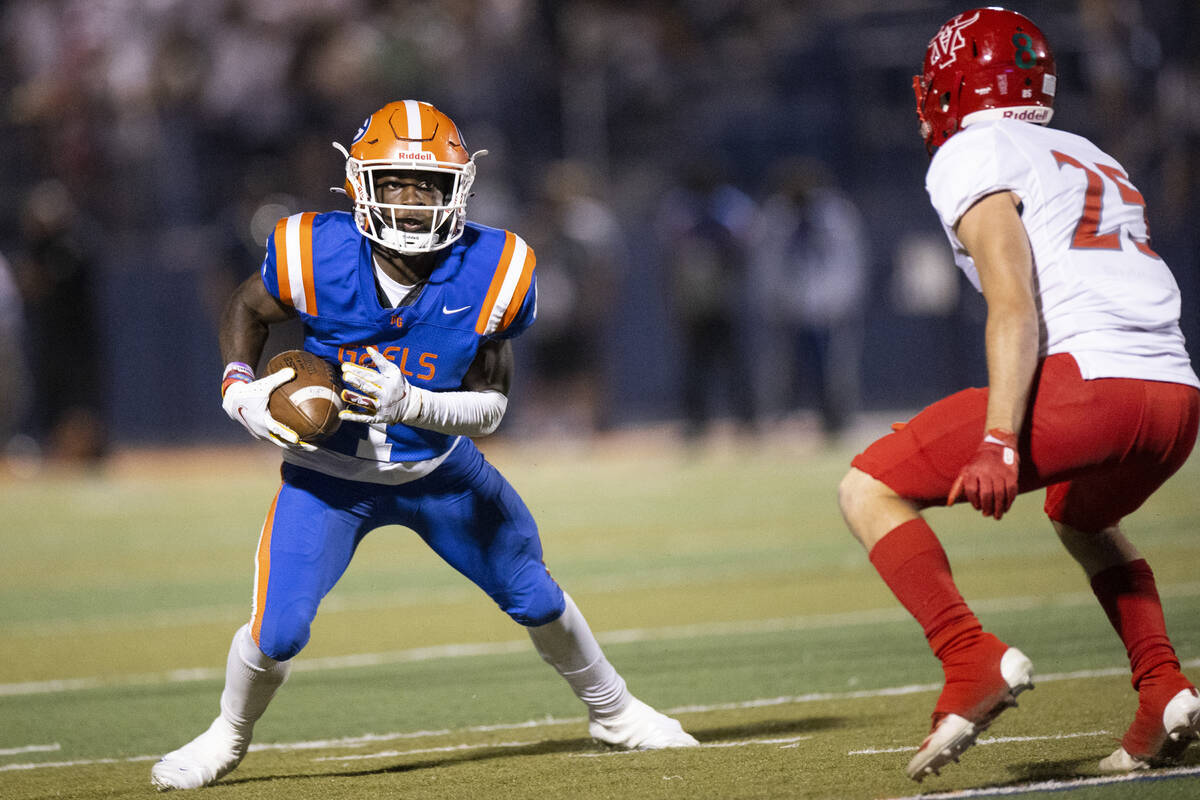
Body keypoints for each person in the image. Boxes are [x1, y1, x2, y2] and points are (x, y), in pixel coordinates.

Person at [150, 100, 697, 791]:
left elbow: (493, 406)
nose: (411, 203)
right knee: (278, 631)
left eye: (428, 186)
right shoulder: (315, 250)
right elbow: (248, 308)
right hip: (329, 477)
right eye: (396, 183)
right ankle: (225, 738)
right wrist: (237, 388)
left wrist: (412, 403)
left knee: (537, 593)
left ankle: (615, 712)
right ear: (359, 185)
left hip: (438, 469)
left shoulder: (494, 267)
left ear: (458, 189)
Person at [837, 8, 1200, 782]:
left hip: (1092, 383)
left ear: (959, 84)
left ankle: (970, 657)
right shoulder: (1085, 149)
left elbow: (1015, 299)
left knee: (867, 484)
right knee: (1081, 514)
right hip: (1175, 394)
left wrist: (1000, 437)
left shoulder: (974, 149)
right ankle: (1162, 687)